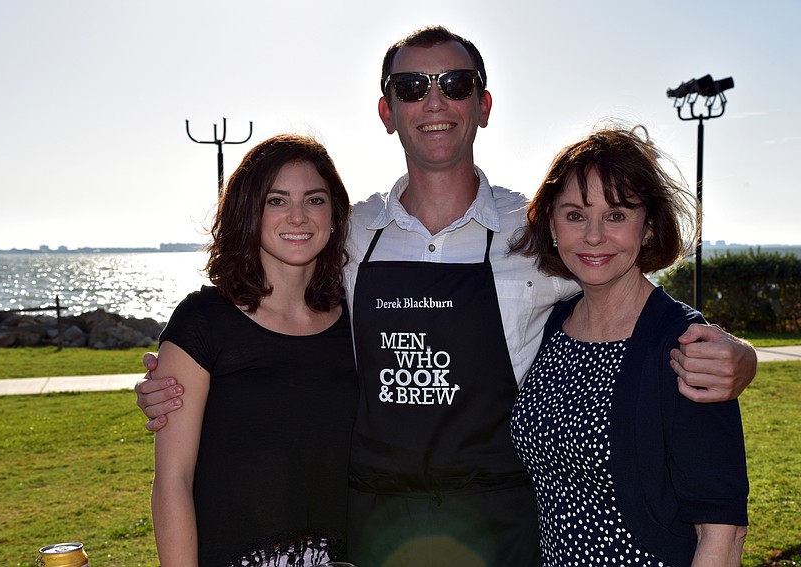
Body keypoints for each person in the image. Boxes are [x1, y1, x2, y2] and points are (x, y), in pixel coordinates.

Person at [137, 26, 757, 567]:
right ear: (387, 111)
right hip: (374, 523)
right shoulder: (345, 235)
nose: (434, 100)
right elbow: (280, 328)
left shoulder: (541, 231)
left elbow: (629, 294)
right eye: (411, 87)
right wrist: (186, 378)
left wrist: (739, 357)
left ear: (483, 104)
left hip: (501, 525)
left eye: (455, 83)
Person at [509, 125, 748, 566]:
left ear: (650, 227)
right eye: (576, 215)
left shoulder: (683, 345)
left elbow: (723, 532)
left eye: (617, 215)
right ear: (552, 225)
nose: (594, 235)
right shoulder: (555, 322)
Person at [149, 134, 358, 567]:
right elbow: (173, 480)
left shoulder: (356, 322)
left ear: (335, 213)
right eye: (276, 200)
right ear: (249, 210)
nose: (298, 216)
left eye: (314, 200)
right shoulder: (202, 321)